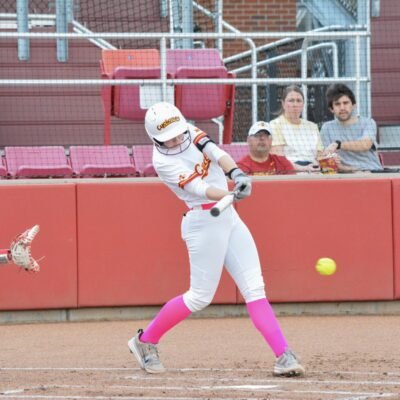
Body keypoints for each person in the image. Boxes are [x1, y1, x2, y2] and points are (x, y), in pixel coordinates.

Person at [127, 102, 305, 377]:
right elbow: (199, 188)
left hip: (228, 216)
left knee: (255, 288)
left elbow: (216, 153)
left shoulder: (188, 130)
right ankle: (145, 341)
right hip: (202, 222)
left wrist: (237, 174)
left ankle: (284, 355)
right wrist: (228, 193)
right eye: (168, 139)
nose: (175, 141)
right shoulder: (162, 162)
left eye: (177, 135)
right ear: (156, 139)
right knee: (199, 297)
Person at [320, 84, 383, 172]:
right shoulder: (326, 128)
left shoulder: (368, 123)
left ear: (353, 105)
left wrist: (338, 144)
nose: (342, 108)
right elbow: (328, 162)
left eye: (345, 103)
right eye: (337, 104)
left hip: (372, 171)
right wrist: (352, 170)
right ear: (331, 109)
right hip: (345, 174)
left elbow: (365, 144)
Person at [270, 85, 324, 172]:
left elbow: (320, 156)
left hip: (314, 171)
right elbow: (279, 158)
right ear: (283, 103)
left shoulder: (312, 126)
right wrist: (304, 169)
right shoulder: (275, 125)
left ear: (303, 104)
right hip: (289, 173)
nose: (295, 104)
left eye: (298, 101)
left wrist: (328, 157)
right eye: (291, 100)